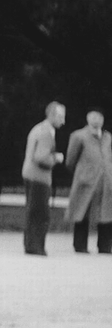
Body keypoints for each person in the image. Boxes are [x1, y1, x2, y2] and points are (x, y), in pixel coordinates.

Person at [64, 107, 112, 253]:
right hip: (86, 181)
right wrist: (83, 172)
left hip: (105, 182)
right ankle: (80, 245)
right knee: (82, 212)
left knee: (106, 213)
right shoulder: (79, 136)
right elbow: (70, 161)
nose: (97, 120)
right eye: (93, 117)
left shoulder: (107, 137)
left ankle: (105, 246)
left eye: (99, 117)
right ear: (87, 118)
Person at [21, 101, 66, 255]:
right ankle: (36, 247)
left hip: (29, 174)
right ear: (52, 115)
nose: (63, 121)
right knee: (41, 213)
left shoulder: (38, 128)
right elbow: (41, 157)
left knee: (32, 211)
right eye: (61, 117)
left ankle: (30, 245)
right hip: (39, 177)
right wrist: (56, 158)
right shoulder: (47, 132)